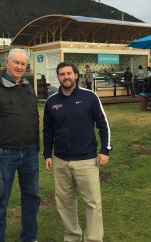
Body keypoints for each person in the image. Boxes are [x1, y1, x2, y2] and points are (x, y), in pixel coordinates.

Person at [43, 62, 112, 242]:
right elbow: (48, 130)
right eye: (61, 74)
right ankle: (72, 236)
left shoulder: (90, 97)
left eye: (69, 73)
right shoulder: (51, 102)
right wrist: (47, 154)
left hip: (87, 160)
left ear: (76, 75)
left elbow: (103, 124)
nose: (66, 77)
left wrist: (105, 150)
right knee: (65, 203)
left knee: (92, 203)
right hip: (60, 161)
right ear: (57, 77)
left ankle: (93, 239)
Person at [0, 48, 40, 242]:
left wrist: (36, 146)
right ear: (7, 63)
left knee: (32, 198)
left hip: (29, 153)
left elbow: (33, 117)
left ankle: (29, 238)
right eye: (16, 63)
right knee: (0, 201)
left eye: (23, 64)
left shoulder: (28, 86)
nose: (20, 67)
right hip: (5, 155)